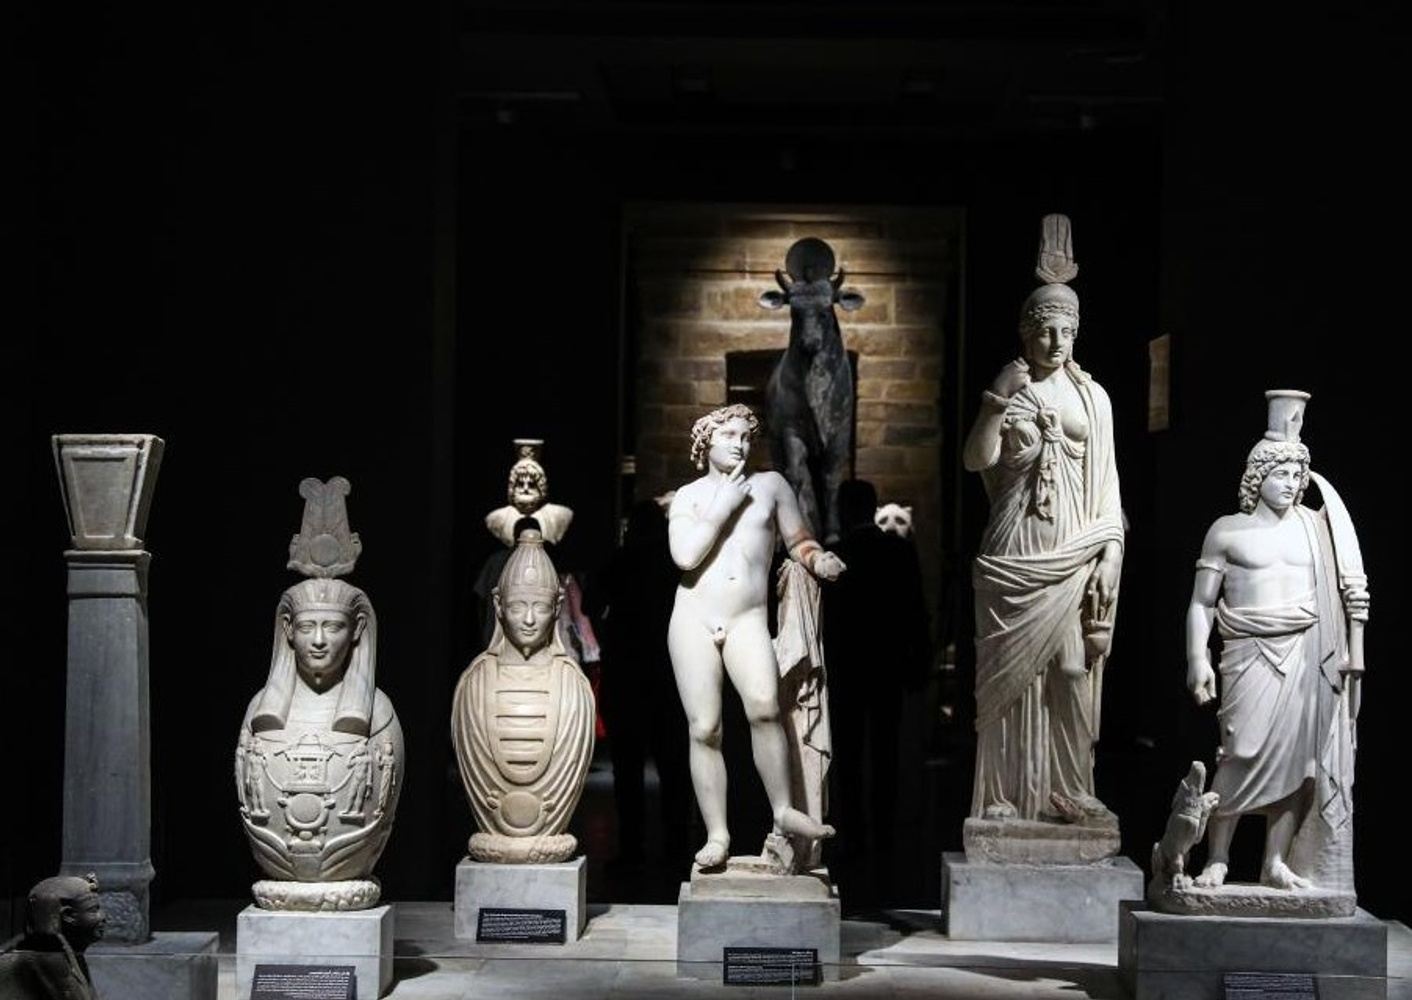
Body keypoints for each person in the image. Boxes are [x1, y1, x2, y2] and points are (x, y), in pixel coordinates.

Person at [1185, 391, 1367, 891]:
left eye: (1296, 474)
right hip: (1247, 653)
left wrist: (1353, 625)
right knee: (1238, 753)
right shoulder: (1226, 532)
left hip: (1307, 653)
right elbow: (1201, 603)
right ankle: (1217, 858)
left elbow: (1347, 584)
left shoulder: (1314, 530)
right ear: (1257, 476)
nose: (1291, 483)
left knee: (1297, 763)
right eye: (1281, 473)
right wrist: (1197, 657)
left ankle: (1274, 862)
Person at [962, 275, 1124, 823]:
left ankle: (1072, 787)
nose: (1056, 343)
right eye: (1046, 331)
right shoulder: (1012, 389)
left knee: (1072, 669)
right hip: (1015, 546)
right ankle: (1002, 796)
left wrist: (1110, 553)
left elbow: (1108, 486)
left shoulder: (1093, 399)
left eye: (1067, 332)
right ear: (1026, 333)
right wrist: (995, 399)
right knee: (1008, 678)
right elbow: (976, 460)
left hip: (1072, 548)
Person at [667, 403, 844, 868]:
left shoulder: (771, 486)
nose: (740, 444)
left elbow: (799, 539)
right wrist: (724, 504)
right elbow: (685, 556)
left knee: (766, 708)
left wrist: (817, 559)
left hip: (747, 617)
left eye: (746, 436)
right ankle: (717, 834)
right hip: (693, 618)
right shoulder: (688, 496)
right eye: (729, 435)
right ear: (705, 441)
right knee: (704, 728)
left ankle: (783, 811)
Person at [823, 479, 929, 898]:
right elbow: (915, 610)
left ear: (843, 510)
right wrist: (917, 662)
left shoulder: (838, 554)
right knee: (886, 752)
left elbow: (828, 619)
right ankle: (884, 832)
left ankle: (853, 834)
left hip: (848, 667)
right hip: (887, 664)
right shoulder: (898, 551)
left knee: (848, 756)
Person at [588, 500, 691, 866]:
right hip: (668, 671)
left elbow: (590, 604)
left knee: (628, 767)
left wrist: (608, 636)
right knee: (674, 765)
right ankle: (677, 846)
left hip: (627, 670)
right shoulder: (672, 564)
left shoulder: (620, 560)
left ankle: (632, 849)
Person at [0, 874, 105, 1000]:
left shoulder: (69, 955)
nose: (102, 917)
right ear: (67, 915)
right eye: (93, 910)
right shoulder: (49, 960)